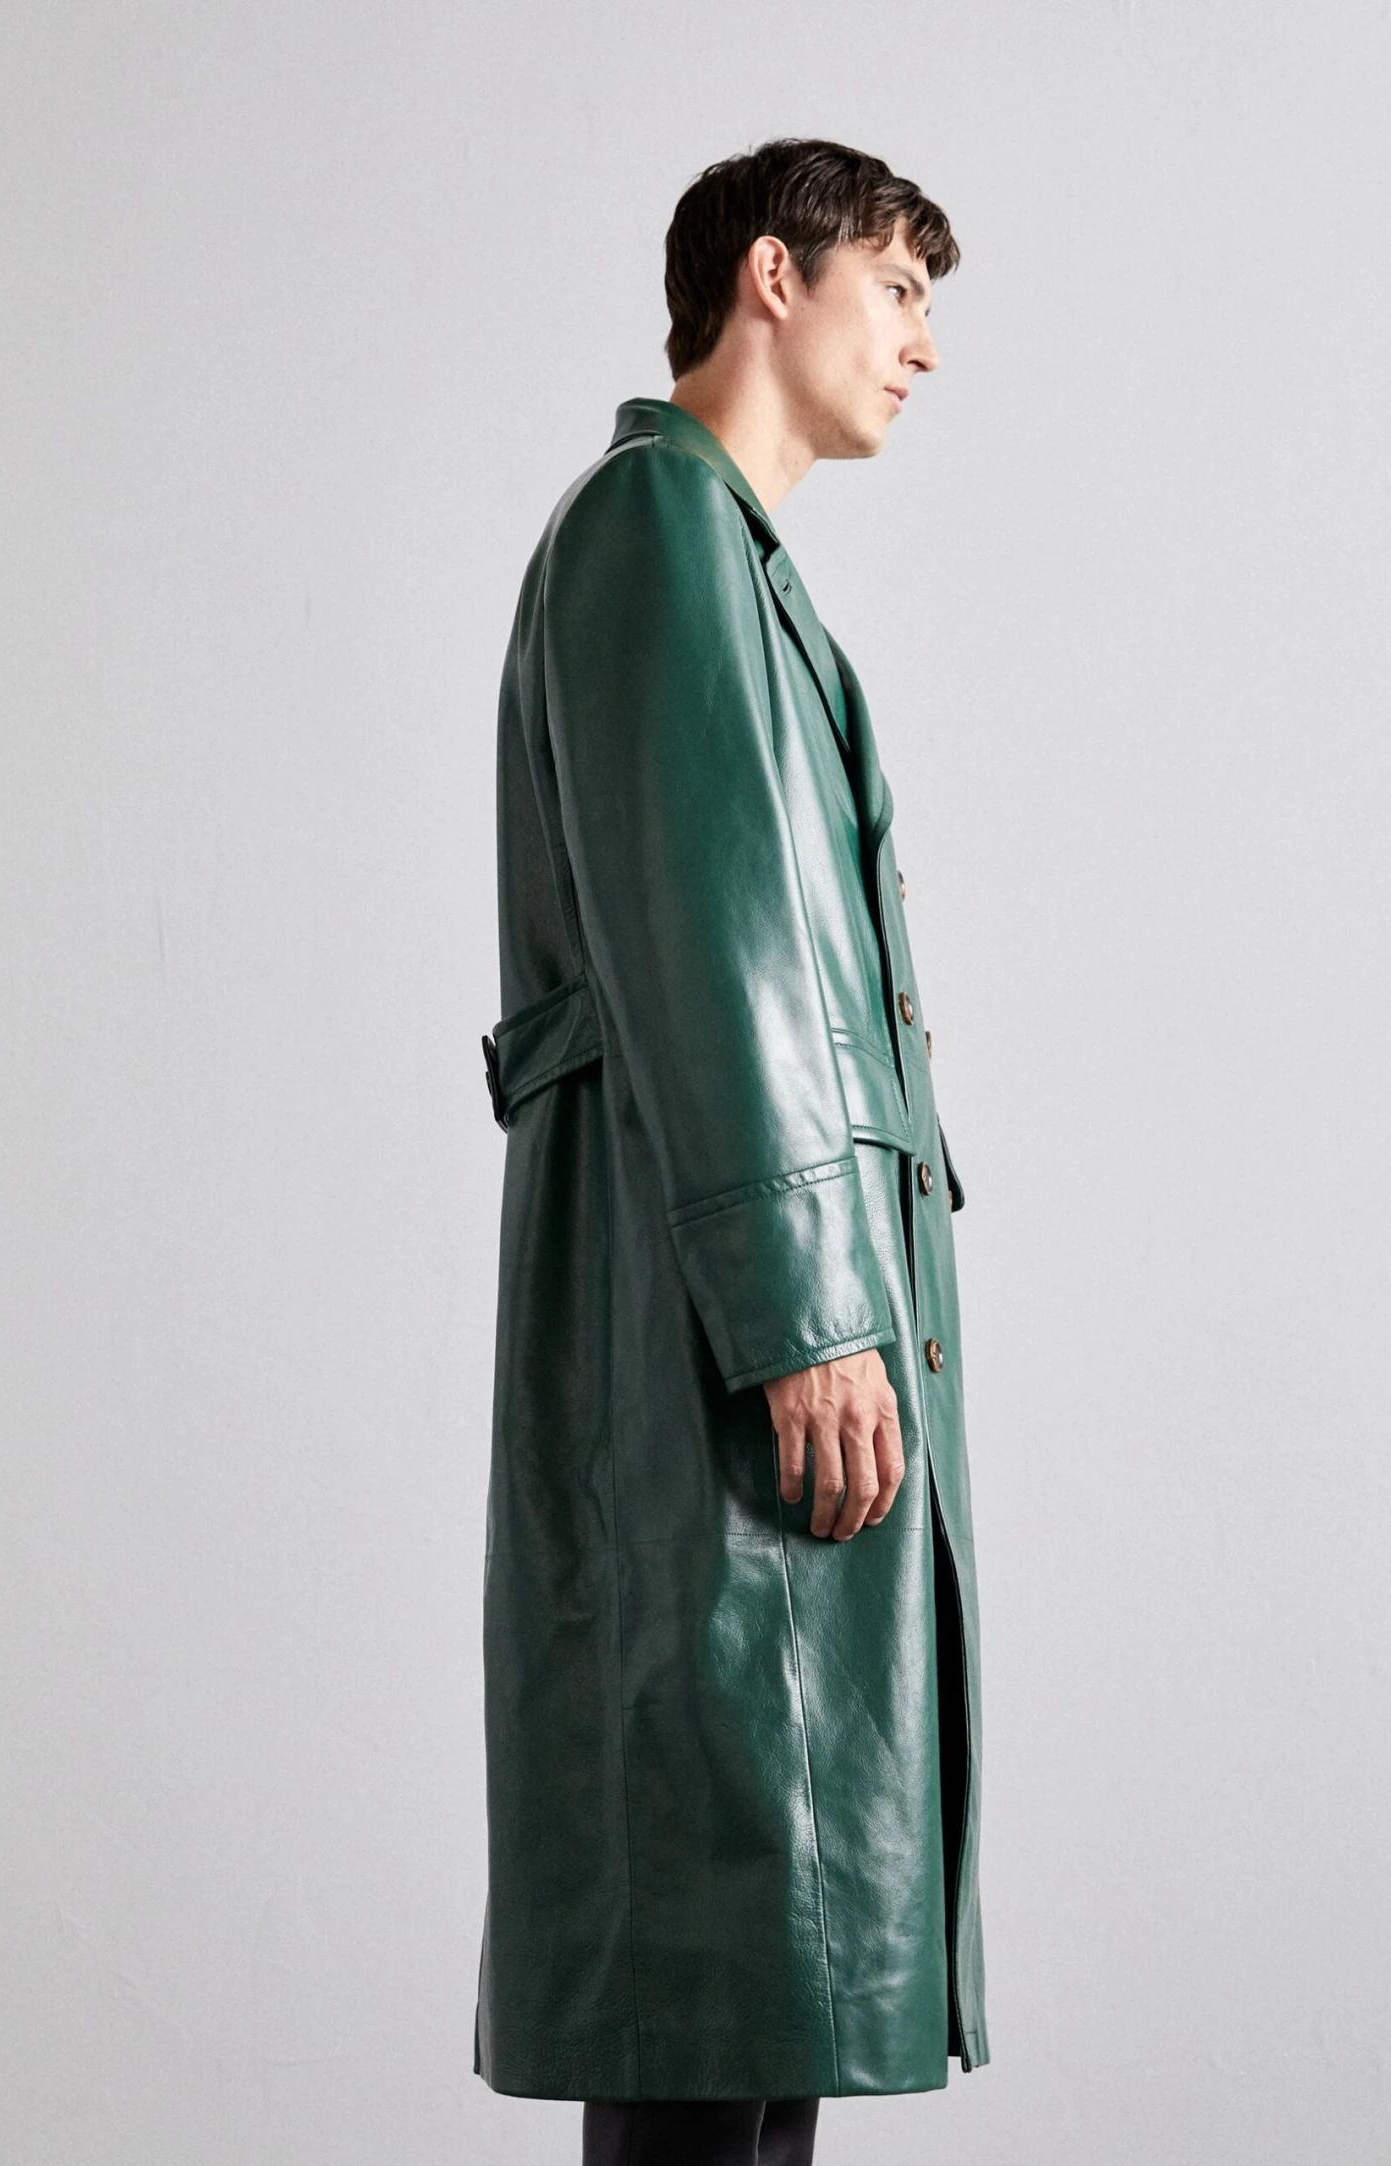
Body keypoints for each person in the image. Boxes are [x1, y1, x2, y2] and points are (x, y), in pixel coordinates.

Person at [475, 138, 988, 2166]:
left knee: (754, 2006)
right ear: (773, 278)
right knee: (711, 1993)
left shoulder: (729, 563)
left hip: (744, 1334)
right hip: (729, 1347)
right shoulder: (657, 532)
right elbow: (713, 946)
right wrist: (807, 1317)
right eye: (900, 292)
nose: (924, 347)